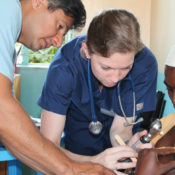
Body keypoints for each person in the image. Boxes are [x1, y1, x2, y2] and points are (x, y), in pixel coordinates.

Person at [0, 0, 116, 174]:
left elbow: (11, 129)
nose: (58, 42)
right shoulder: (7, 9)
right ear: (39, 2)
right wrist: (72, 169)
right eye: (60, 26)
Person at [38, 9, 157, 173]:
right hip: (78, 145)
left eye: (126, 68)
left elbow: (120, 131)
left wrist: (126, 148)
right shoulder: (64, 67)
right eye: (106, 67)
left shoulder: (144, 64)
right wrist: (94, 162)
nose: (115, 78)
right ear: (87, 51)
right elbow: (48, 145)